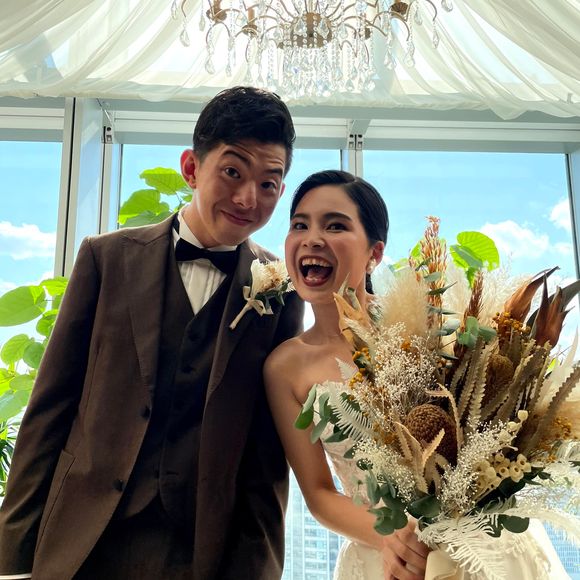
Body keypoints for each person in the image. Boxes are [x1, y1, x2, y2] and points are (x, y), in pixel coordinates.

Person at [0, 86, 304, 580]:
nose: (249, 198)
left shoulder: (282, 292)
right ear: (191, 168)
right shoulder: (106, 258)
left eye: (269, 184)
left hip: (202, 551)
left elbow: (267, 457)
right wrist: (13, 561)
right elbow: (49, 411)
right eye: (233, 172)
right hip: (81, 538)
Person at [264, 170, 571, 580]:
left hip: (482, 546)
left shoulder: (427, 322)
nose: (312, 238)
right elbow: (318, 494)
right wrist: (391, 537)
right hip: (388, 558)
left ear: (374, 253)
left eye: (335, 225)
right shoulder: (285, 367)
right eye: (300, 225)